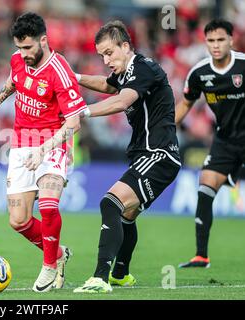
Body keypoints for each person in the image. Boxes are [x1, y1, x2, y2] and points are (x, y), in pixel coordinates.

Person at [0, 12, 87, 292]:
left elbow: (74, 122)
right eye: (19, 47)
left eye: (28, 48)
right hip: (20, 145)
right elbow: (13, 82)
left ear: (43, 40)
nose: (23, 54)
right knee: (18, 220)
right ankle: (59, 254)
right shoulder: (18, 60)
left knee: (48, 206)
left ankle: (49, 266)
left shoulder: (60, 71)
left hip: (53, 143)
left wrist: (43, 149)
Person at [72, 21, 181, 293]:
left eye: (109, 53)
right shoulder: (126, 72)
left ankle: (100, 277)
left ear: (125, 46)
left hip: (159, 154)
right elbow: (109, 86)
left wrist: (82, 112)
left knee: (110, 203)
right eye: (101, 56)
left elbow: (121, 100)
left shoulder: (143, 68)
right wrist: (74, 77)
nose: (106, 60)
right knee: (126, 215)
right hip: (148, 154)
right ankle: (121, 274)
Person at [176, 19, 245, 268]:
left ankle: (236, 174)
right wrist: (164, 129)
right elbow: (185, 104)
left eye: (221, 40)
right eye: (211, 41)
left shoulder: (243, 65)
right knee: (205, 183)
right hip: (225, 140)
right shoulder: (199, 73)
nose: (216, 45)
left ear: (231, 40)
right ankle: (201, 255)